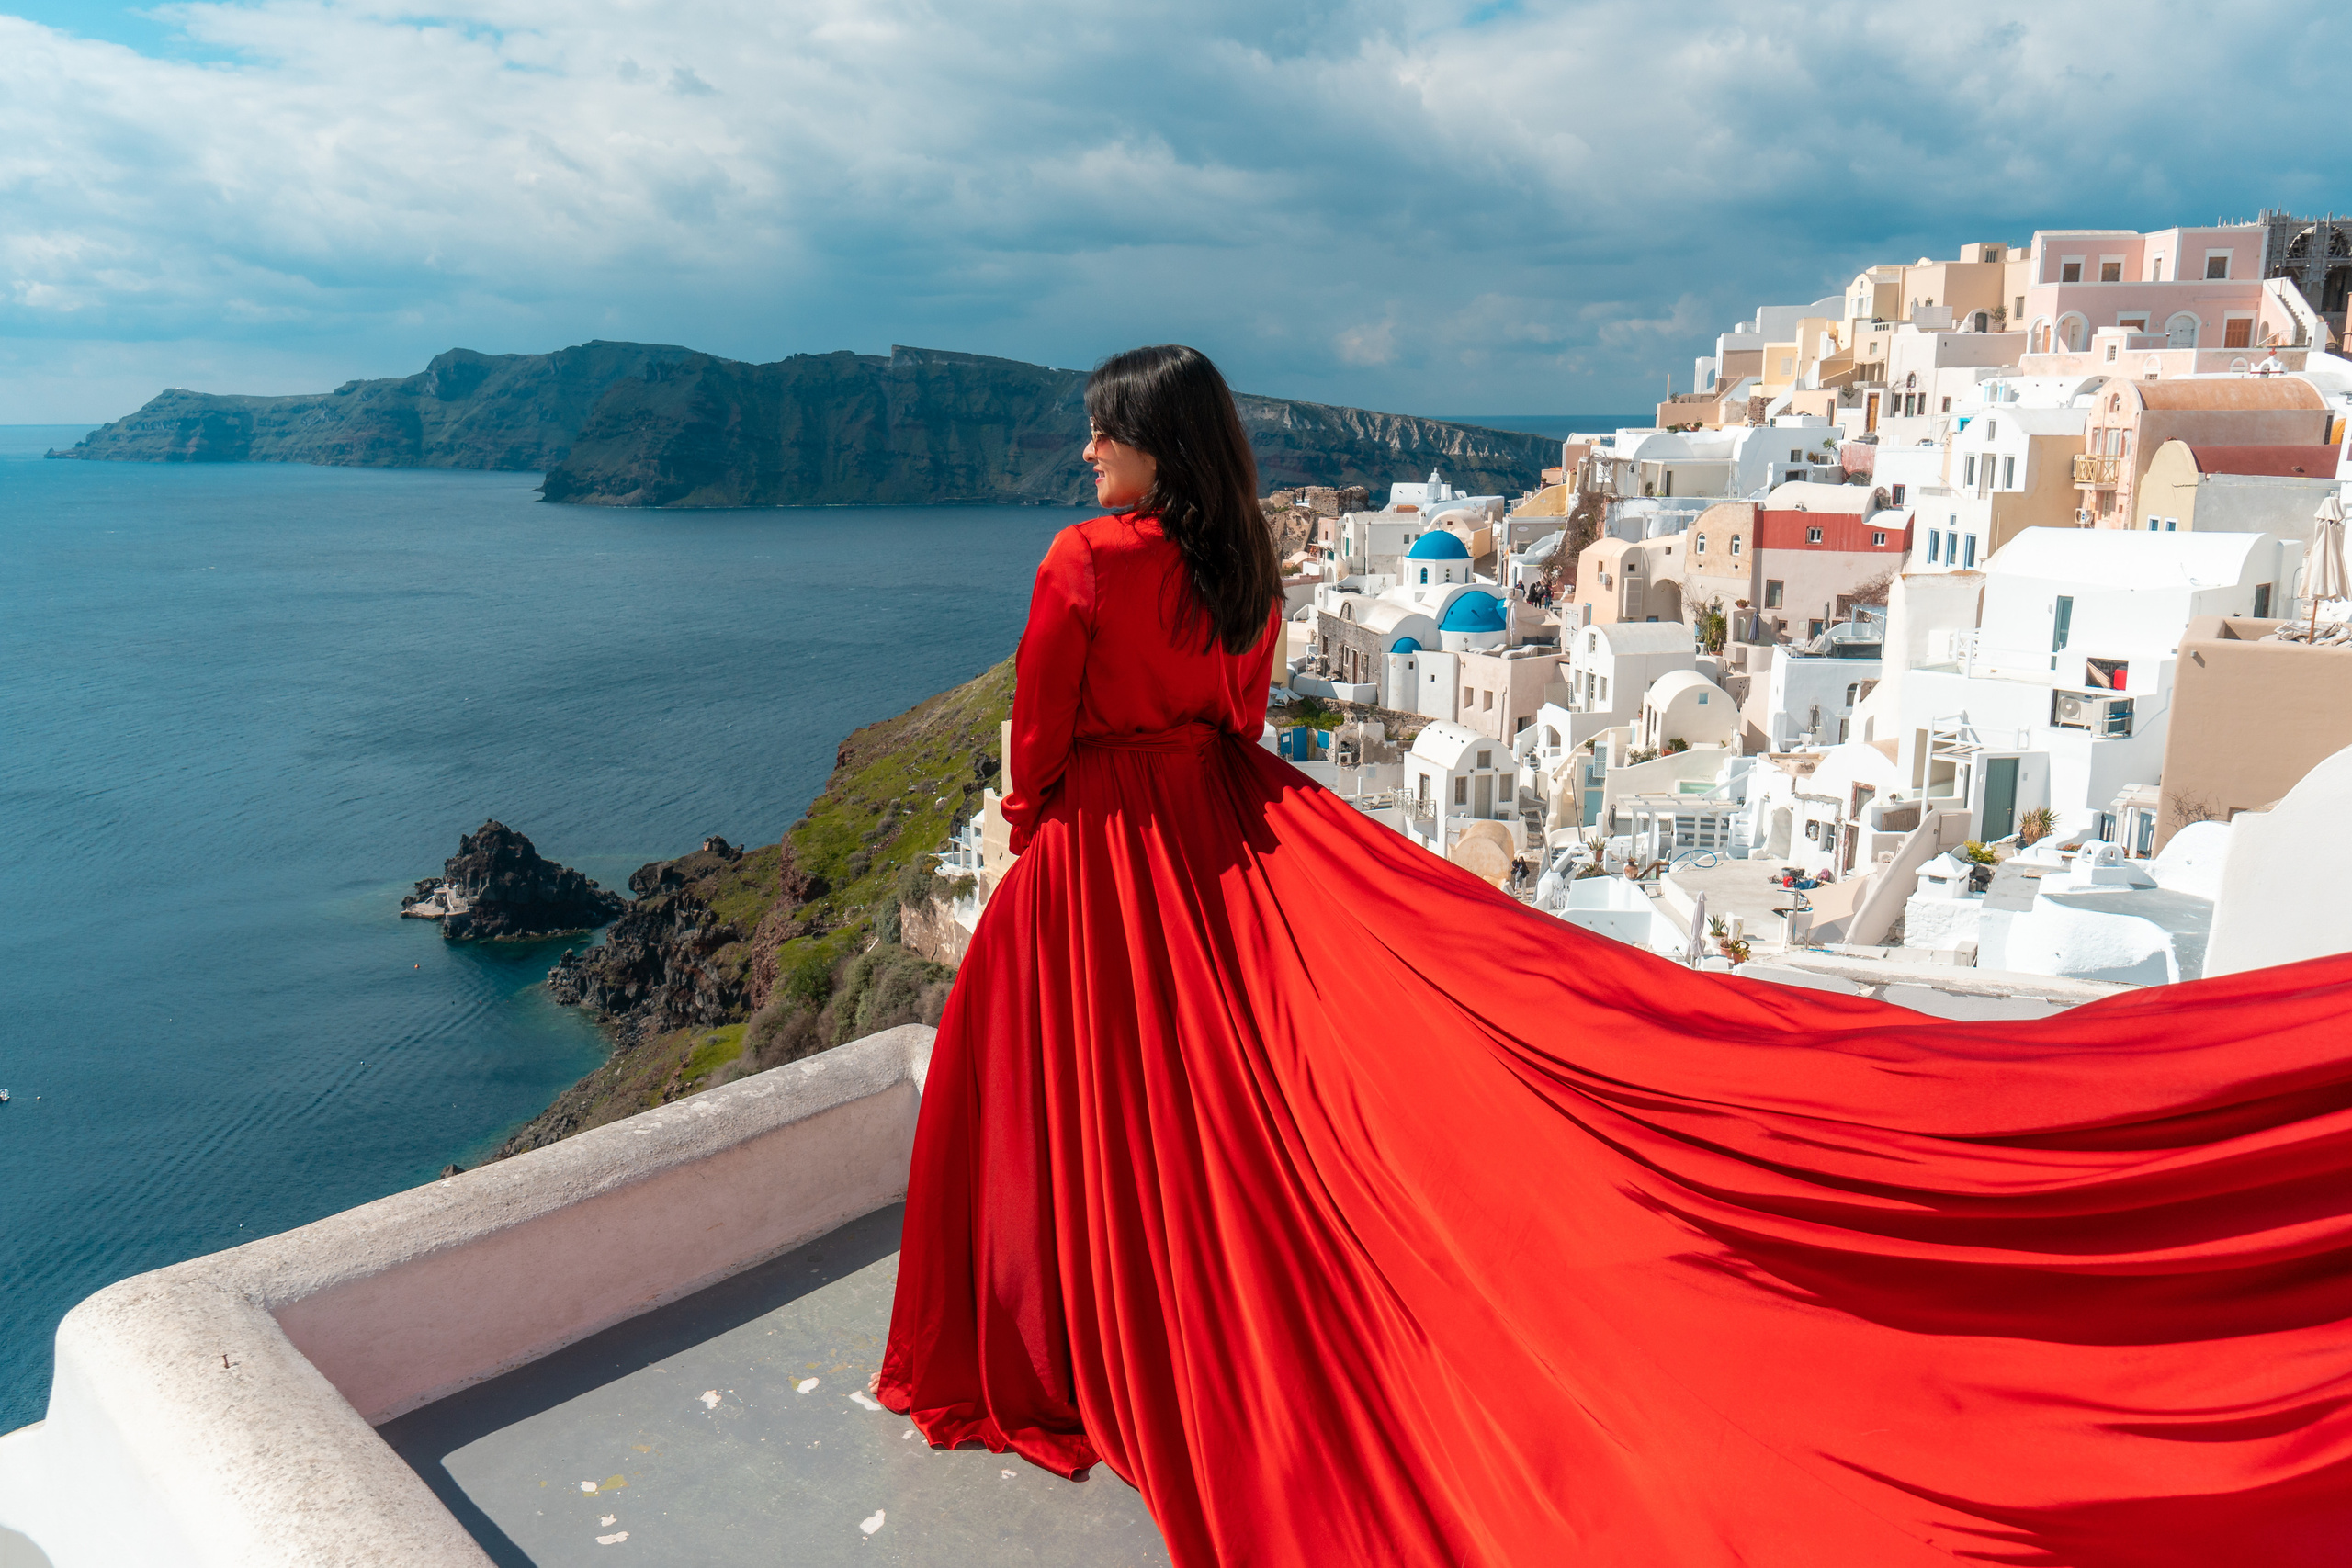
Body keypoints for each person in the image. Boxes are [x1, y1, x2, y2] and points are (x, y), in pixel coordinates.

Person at [878, 344, 2352, 1567]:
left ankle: (1068, 1333)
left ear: (1147, 442)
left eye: (1100, 433)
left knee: (1068, 1106)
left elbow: (1038, 742)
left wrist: (1042, 830)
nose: (1085, 455)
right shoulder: (1241, 567)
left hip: (1106, 853)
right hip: (1225, 827)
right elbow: (1242, 724)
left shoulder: (1083, 559)